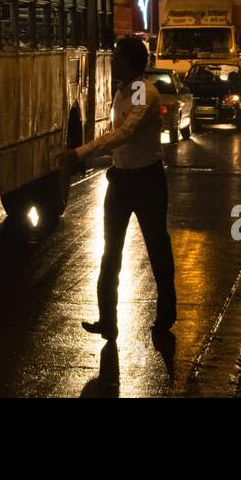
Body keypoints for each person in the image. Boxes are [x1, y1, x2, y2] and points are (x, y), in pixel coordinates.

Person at [54, 36, 177, 340]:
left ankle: (166, 314)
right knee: (111, 253)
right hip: (120, 181)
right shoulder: (122, 93)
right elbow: (118, 148)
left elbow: (124, 133)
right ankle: (107, 320)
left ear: (131, 61)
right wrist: (89, 162)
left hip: (147, 182)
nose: (113, 60)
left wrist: (81, 152)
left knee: (157, 249)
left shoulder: (142, 93)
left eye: (118, 56)